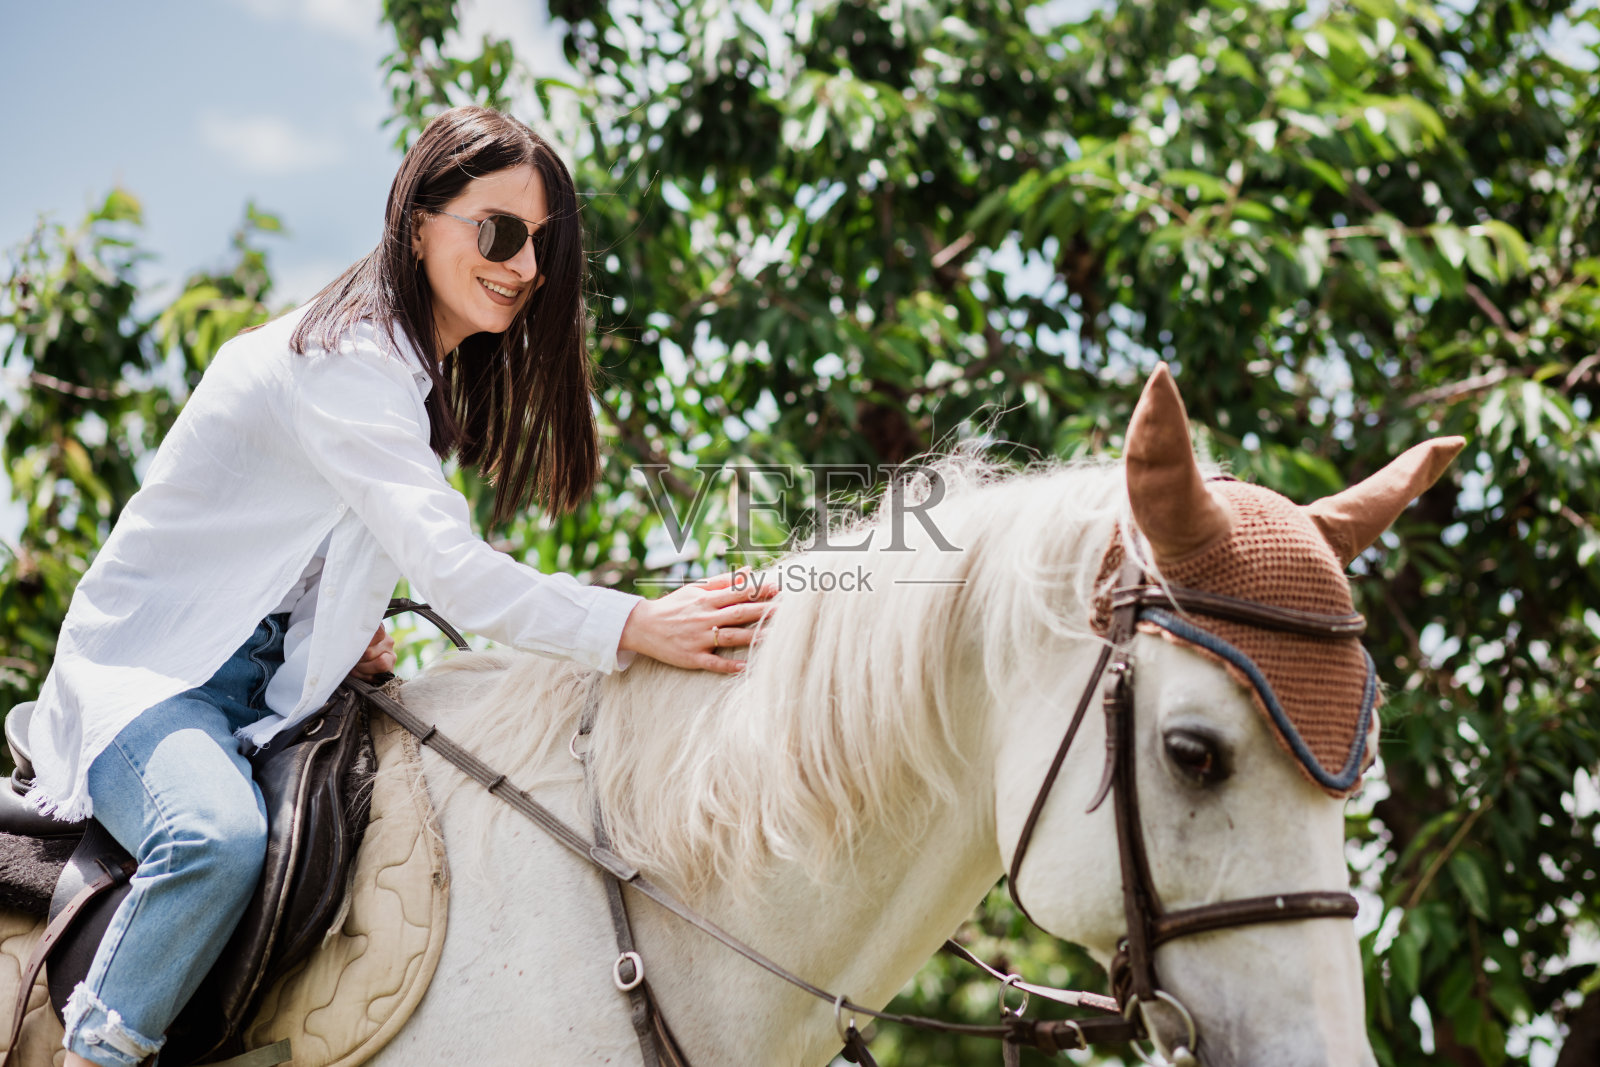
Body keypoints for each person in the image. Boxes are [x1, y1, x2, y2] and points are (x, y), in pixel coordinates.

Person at [26, 105, 773, 1067]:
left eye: (543, 246)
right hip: (152, 679)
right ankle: (95, 1053)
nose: (528, 269)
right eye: (501, 233)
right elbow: (457, 574)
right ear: (420, 221)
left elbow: (309, 552)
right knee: (214, 839)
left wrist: (336, 636)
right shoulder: (347, 362)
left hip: (259, 678)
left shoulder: (406, 378)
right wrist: (634, 623)